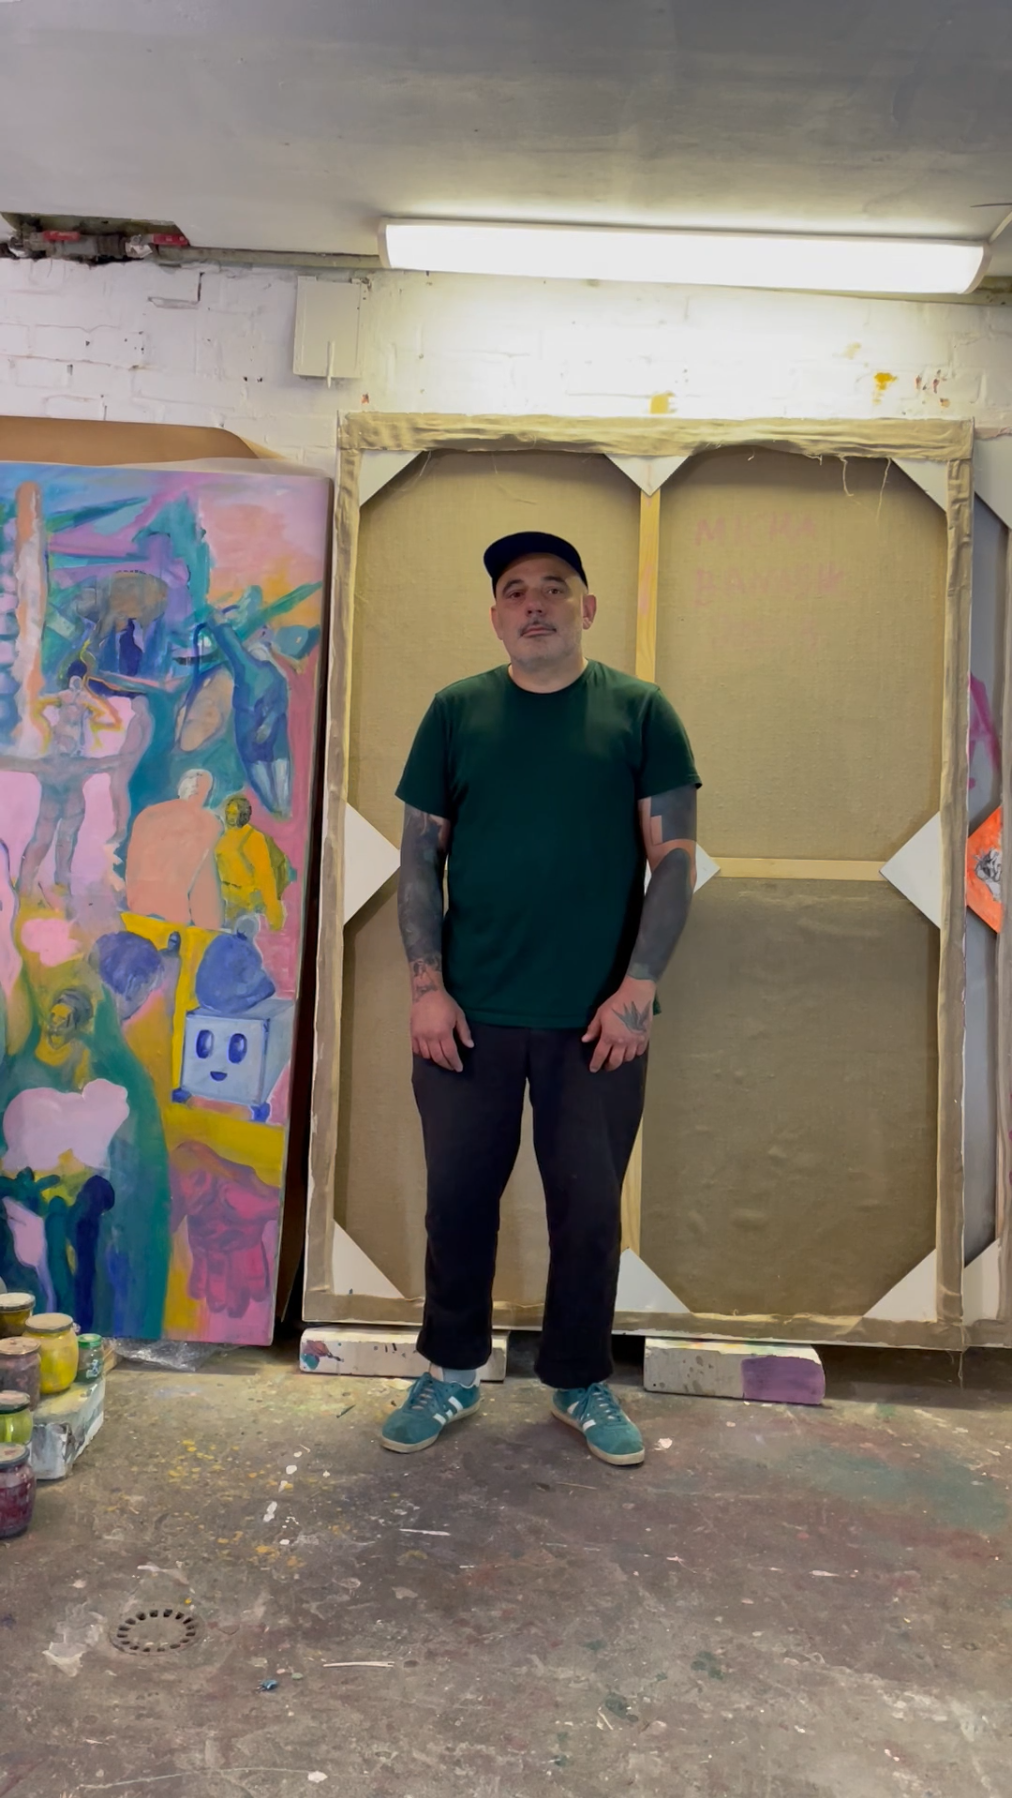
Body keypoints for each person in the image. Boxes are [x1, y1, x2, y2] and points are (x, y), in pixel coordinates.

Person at [381, 530, 700, 1466]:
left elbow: (675, 860)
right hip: (467, 1018)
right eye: (516, 590)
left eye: (554, 587)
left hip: (596, 1022)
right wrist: (427, 990)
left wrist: (637, 989)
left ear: (586, 608)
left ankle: (579, 1380)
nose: (534, 603)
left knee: (589, 1213)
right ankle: (449, 1371)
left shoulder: (640, 713)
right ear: (495, 616)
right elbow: (418, 861)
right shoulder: (457, 712)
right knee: (457, 1203)